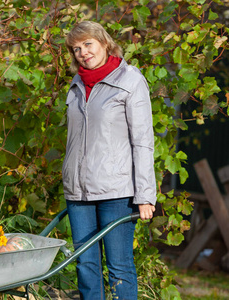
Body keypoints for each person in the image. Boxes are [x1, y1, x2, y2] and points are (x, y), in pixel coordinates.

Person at [62, 21, 157, 300]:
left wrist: (145, 195)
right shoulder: (77, 83)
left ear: (104, 43)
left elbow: (142, 142)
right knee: (86, 266)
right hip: (79, 192)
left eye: (88, 44)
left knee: (119, 267)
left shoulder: (130, 80)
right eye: (76, 48)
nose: (83, 52)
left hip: (117, 191)